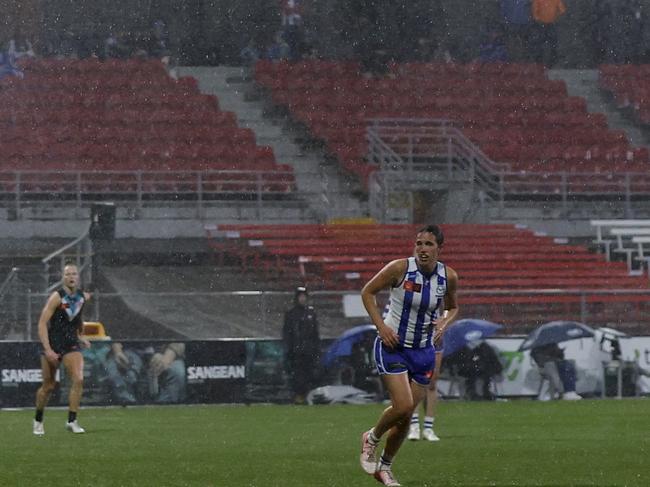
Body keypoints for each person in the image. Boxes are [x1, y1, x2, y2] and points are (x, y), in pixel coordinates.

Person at [359, 224, 459, 486]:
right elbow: (367, 292)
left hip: (424, 351)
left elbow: (453, 307)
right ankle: (371, 437)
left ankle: (385, 468)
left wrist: (444, 323)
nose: (422, 249)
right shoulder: (400, 269)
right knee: (403, 406)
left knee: (405, 416)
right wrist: (381, 327)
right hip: (393, 346)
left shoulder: (448, 277)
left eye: (428, 244)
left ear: (439, 248)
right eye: (419, 244)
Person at [33, 264, 91, 435]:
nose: (71, 277)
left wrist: (81, 336)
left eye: (74, 274)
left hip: (71, 344)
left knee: (79, 379)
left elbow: (78, 318)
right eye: (68, 274)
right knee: (48, 387)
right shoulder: (57, 297)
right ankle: (38, 419)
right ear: (63, 277)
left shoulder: (82, 297)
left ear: (78, 277)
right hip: (53, 343)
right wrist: (48, 349)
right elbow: (42, 323)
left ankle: (72, 421)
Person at [283, 286, 321, 404]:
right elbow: (287, 333)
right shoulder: (291, 314)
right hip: (297, 351)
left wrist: (316, 348)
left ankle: (308, 396)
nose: (303, 299)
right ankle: (298, 396)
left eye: (304, 296)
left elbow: (315, 333)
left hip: (309, 350)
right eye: (301, 296)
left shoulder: (311, 313)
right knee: (298, 375)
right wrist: (290, 348)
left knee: (310, 373)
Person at [407, 339, 443, 442]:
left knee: (432, 384)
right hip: (414, 345)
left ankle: (428, 428)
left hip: (432, 345)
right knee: (414, 383)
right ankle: (414, 426)